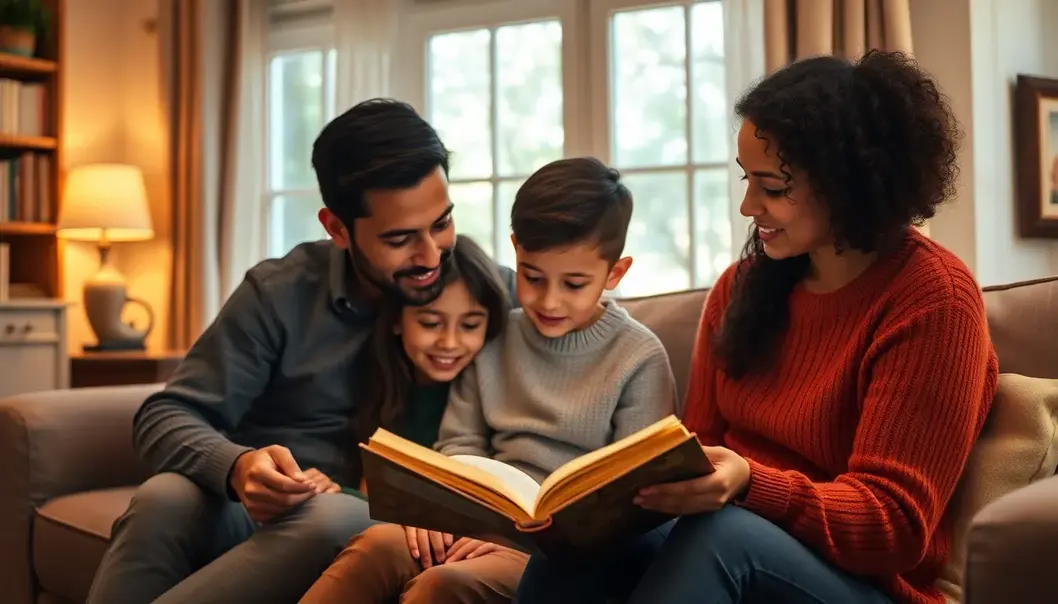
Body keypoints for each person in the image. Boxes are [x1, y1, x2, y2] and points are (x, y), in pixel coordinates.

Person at [515, 51, 1000, 604]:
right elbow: (697, 449)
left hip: (867, 585)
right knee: (582, 547)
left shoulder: (935, 299)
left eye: (771, 187)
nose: (748, 206)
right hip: (733, 542)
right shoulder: (741, 286)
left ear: (847, 183)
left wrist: (750, 482)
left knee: (725, 537)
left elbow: (892, 527)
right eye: (748, 180)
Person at [85, 99, 516, 604]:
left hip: (351, 512)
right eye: (400, 238)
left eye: (441, 223)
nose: (430, 256)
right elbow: (165, 414)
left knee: (340, 514)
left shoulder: (479, 290)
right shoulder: (280, 292)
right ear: (337, 228)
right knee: (166, 496)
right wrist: (239, 466)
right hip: (261, 512)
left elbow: (580, 317)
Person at [434, 156, 679, 596]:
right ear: (515, 251)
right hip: (477, 523)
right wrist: (469, 517)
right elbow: (458, 445)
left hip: (562, 556)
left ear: (615, 273)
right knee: (376, 545)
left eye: (573, 284)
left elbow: (637, 496)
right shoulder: (495, 337)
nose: (548, 300)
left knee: (444, 585)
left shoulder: (639, 358)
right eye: (532, 277)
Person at [298, 234, 527, 604]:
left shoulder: (489, 394)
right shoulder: (387, 391)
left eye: (470, 325)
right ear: (396, 322)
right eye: (431, 323)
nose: (450, 343)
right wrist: (332, 490)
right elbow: (374, 492)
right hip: (406, 538)